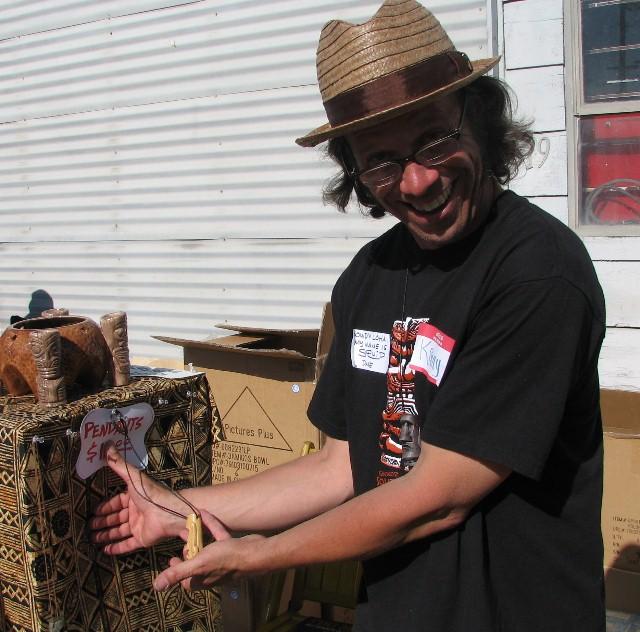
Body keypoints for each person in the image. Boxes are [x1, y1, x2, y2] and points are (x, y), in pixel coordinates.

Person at [91, 1, 607, 630]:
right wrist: (179, 505)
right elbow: (339, 467)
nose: (416, 182)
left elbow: (437, 499)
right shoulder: (370, 275)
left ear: (478, 116)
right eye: (382, 160)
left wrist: (258, 556)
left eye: (434, 140)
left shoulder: (537, 273)